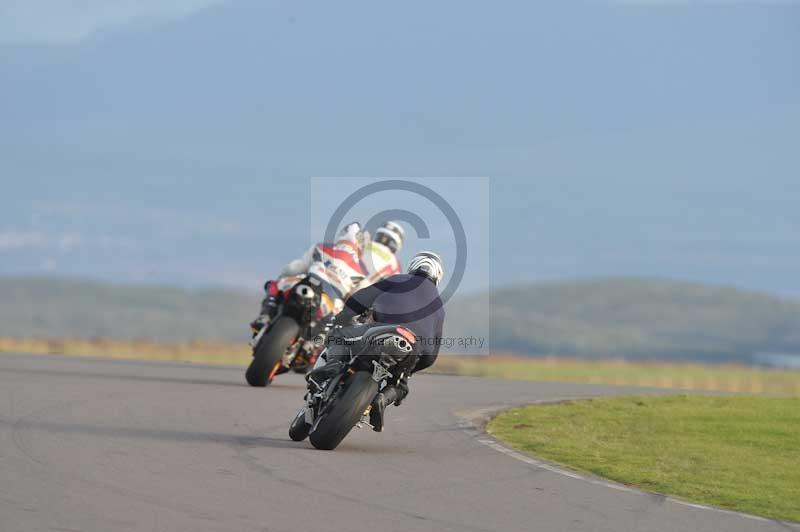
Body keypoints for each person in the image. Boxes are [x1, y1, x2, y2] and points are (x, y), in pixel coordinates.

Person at [308, 251, 446, 432]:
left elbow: (361, 299)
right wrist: (410, 370)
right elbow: (430, 357)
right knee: (401, 386)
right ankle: (382, 399)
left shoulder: (399, 280)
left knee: (339, 336)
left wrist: (344, 317)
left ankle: (332, 366)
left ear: (414, 266)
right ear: (437, 275)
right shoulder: (439, 306)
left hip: (382, 331)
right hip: (411, 348)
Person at [250, 222, 368, 333]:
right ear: (361, 245)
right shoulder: (362, 273)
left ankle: (265, 314)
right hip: (332, 303)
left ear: (342, 234)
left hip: (308, 283)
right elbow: (359, 301)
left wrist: (283, 276)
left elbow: (295, 268)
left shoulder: (320, 247)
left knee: (274, 285)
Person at [357, 221, 405, 289]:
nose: (383, 239)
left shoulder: (365, 243)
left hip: (347, 276)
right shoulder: (395, 262)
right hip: (364, 289)